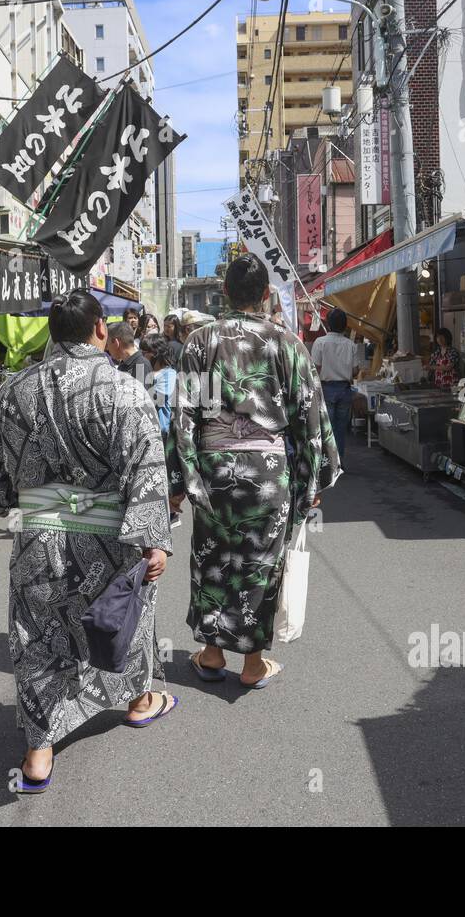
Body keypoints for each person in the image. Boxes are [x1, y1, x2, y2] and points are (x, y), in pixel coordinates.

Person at [0, 290, 177, 793]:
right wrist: (154, 538)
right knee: (120, 619)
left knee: (37, 635)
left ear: (50, 332)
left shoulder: (11, 391)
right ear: (100, 330)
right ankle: (137, 702)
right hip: (109, 537)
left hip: (38, 534)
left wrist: (9, 502)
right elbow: (147, 464)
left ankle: (38, 753)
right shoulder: (123, 391)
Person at [175, 253, 341, 688]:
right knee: (260, 562)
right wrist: (311, 478)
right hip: (269, 472)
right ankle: (252, 665)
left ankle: (212, 654)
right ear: (266, 295)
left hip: (214, 469)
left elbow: (188, 414)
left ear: (224, 293)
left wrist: (185, 477)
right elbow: (309, 414)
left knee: (212, 557)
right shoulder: (286, 343)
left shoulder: (200, 341)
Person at [141, 333, 185, 526]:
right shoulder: (151, 372)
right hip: (153, 431)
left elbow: (156, 399)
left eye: (146, 352)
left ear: (156, 353)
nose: (143, 355)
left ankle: (171, 514)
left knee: (165, 475)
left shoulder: (168, 374)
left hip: (163, 431)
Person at [310, 308, 358, 463]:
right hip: (345, 390)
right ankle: (339, 461)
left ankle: (326, 462)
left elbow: (315, 368)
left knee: (326, 428)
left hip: (326, 388)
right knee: (340, 429)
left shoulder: (320, 342)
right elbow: (356, 370)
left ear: (328, 324)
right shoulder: (351, 345)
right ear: (345, 326)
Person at [107, 320, 154, 391]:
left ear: (116, 343)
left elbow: (140, 399)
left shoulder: (141, 365)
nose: (107, 348)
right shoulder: (123, 364)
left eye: (108, 343)